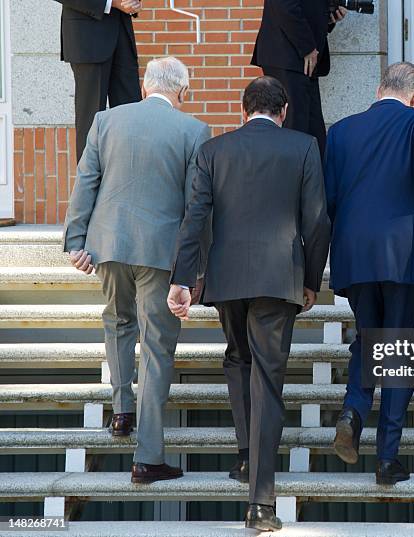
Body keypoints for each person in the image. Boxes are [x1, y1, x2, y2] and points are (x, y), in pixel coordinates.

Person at [167, 76, 330, 532]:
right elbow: (317, 220)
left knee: (238, 359)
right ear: (282, 113)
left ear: (244, 111)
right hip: (280, 280)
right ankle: (260, 503)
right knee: (268, 379)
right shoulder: (303, 146)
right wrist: (311, 280)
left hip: (227, 277)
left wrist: (183, 278)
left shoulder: (214, 151)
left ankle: (245, 455)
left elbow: (194, 217)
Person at [63, 57, 211, 484]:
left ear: (145, 87)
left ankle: (122, 411)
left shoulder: (105, 120)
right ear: (182, 92)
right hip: (160, 253)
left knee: (117, 323)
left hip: (108, 244)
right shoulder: (194, 131)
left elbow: (85, 181)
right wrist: (195, 268)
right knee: (157, 346)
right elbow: (194, 207)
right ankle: (147, 456)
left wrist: (76, 242)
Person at [325, 62, 414, 485]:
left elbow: (328, 197)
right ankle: (387, 457)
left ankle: (353, 410)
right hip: (403, 248)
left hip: (354, 251)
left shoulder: (342, 130)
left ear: (379, 89)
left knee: (369, 338)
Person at [251, 0, 347, 158]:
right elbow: (284, 6)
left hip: (301, 59)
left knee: (313, 134)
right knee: (294, 129)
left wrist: (328, 19)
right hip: (288, 55)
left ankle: (310, 180)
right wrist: (307, 47)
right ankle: (291, 181)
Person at [55, 0, 143, 161]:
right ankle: (89, 185)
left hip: (122, 31)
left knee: (132, 115)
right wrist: (111, 3)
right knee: (91, 119)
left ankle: (131, 180)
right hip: (87, 38)